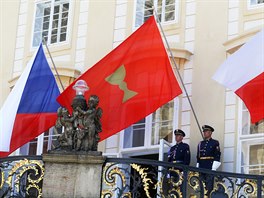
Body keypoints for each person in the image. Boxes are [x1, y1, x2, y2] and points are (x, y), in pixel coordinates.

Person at [196, 125, 221, 196]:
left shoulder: (215, 142)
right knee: (201, 186)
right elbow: (198, 156)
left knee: (209, 187)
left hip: (210, 165)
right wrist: (197, 164)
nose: (204, 133)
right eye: (204, 132)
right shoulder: (200, 143)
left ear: (210, 133)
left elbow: (217, 155)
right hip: (201, 166)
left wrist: (214, 167)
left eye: (206, 131)